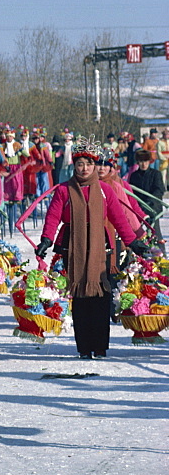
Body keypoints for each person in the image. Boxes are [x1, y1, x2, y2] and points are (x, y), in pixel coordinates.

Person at [38, 139, 144, 359]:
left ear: (95, 166)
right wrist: (46, 240)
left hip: (101, 248)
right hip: (72, 247)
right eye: (80, 165)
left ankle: (100, 346)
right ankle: (84, 347)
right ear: (74, 166)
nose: (84, 169)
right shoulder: (64, 190)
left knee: (100, 297)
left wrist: (132, 241)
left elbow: (118, 218)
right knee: (80, 298)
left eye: (88, 164)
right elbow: (53, 217)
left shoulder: (105, 190)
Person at [128, 149, 165, 249]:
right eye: (141, 162)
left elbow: (159, 189)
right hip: (138, 208)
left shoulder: (156, 174)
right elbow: (131, 192)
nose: (143, 164)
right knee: (135, 230)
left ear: (149, 162)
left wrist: (150, 201)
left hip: (153, 208)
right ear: (138, 162)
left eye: (146, 162)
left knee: (155, 231)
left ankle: (161, 255)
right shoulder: (134, 176)